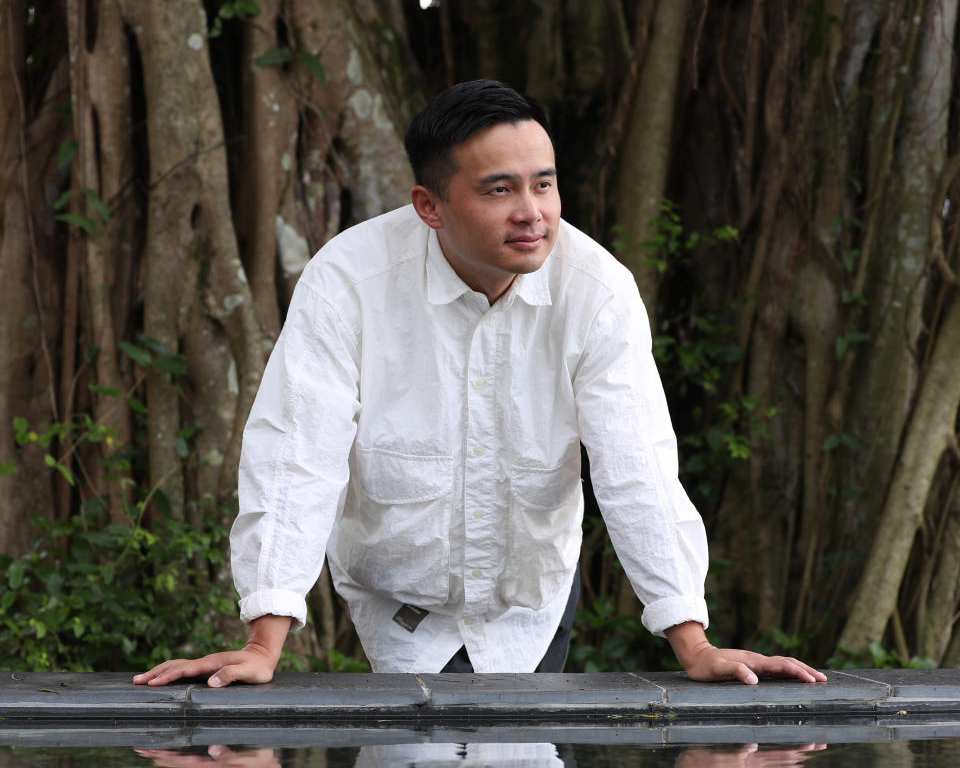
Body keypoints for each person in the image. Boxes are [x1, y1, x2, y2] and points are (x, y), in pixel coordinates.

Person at [134, 80, 826, 689]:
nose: (533, 211)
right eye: (500, 189)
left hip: (532, 601)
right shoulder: (348, 281)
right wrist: (263, 640)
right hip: (397, 599)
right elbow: (296, 455)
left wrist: (692, 641)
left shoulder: (598, 292)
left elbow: (636, 466)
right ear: (429, 206)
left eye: (544, 183)